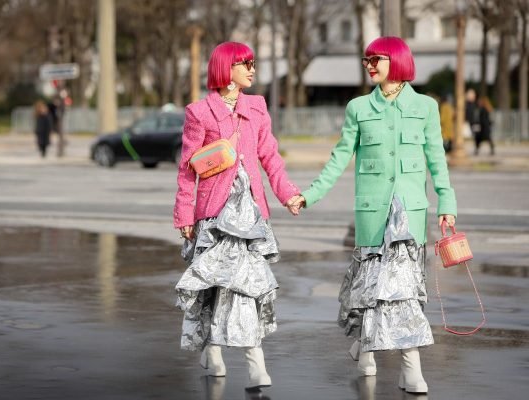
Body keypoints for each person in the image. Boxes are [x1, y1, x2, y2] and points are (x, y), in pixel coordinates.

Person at [288, 37, 457, 394]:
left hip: (409, 215)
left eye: (375, 59)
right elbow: (339, 158)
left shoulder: (426, 107)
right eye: (366, 59)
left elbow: (437, 161)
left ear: (395, 61)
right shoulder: (358, 108)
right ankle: (366, 350)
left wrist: (447, 204)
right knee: (370, 290)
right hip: (372, 214)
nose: (369, 65)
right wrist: (309, 195)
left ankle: (410, 367)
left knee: (404, 290)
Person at [173, 41, 301, 390]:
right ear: (226, 70)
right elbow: (188, 170)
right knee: (216, 286)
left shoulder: (257, 108)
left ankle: (254, 362)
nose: (252, 70)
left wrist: (288, 194)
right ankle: (213, 351)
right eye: (245, 64)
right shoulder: (199, 112)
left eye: (253, 63)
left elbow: (270, 157)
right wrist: (184, 214)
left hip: (250, 216)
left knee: (245, 286)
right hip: (214, 215)